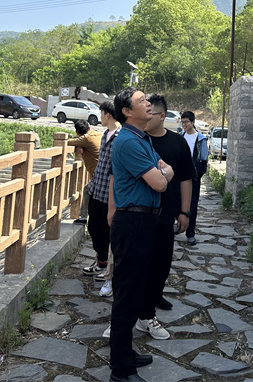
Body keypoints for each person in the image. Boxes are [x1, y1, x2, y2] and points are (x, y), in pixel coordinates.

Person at [107, 87, 172, 382]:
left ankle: (126, 353)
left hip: (145, 221)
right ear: (126, 111)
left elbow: (165, 171)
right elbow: (160, 182)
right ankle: (120, 369)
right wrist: (162, 174)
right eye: (141, 101)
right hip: (133, 222)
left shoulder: (142, 138)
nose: (148, 104)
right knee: (127, 294)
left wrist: (162, 173)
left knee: (136, 292)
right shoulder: (128, 141)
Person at [142, 94, 193, 327]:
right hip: (138, 213)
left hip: (166, 213)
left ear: (162, 116)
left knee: (162, 262)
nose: (146, 116)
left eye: (150, 113)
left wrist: (184, 212)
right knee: (140, 262)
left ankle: (155, 296)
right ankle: (142, 303)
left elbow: (185, 179)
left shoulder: (177, 143)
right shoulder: (137, 140)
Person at [77, 102, 120, 285]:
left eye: (101, 114)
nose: (100, 117)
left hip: (109, 194)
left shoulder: (119, 137)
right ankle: (101, 261)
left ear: (107, 115)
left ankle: (108, 266)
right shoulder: (104, 135)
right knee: (94, 227)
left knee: (107, 232)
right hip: (97, 189)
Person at [179, 111, 208, 245]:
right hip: (179, 175)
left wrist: (198, 174)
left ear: (193, 122)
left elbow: (204, 159)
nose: (184, 124)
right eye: (182, 122)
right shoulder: (180, 137)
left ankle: (190, 233)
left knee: (192, 204)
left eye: (186, 122)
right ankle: (179, 226)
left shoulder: (201, 139)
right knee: (177, 201)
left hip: (194, 176)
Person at [68, 119, 101, 228]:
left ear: (77, 132)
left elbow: (67, 142)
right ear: (89, 127)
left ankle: (83, 217)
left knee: (87, 191)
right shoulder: (96, 134)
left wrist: (75, 142)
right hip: (101, 171)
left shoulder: (86, 138)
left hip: (98, 173)